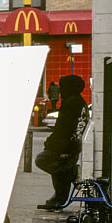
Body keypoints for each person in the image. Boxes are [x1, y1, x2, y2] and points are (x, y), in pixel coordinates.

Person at [35, 74, 90, 211]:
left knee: (43, 160)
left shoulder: (71, 102)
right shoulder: (79, 101)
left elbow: (63, 128)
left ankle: (72, 173)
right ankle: (59, 200)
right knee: (58, 168)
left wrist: (51, 143)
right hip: (74, 145)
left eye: (62, 87)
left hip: (66, 145)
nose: (60, 91)